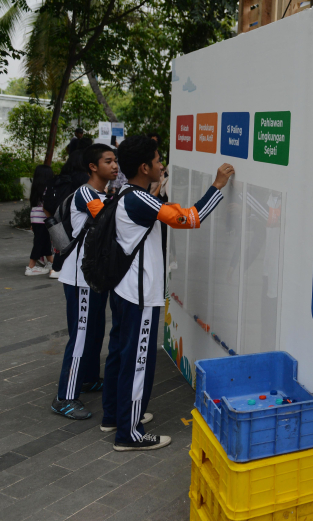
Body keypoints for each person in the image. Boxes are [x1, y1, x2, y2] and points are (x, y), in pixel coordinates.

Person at [103, 135, 233, 450]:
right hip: (140, 296)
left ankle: (114, 417)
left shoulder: (126, 193)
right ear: (144, 167)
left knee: (121, 356)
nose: (163, 165)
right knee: (137, 363)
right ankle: (128, 434)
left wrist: (157, 192)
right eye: (159, 160)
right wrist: (217, 185)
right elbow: (189, 218)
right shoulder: (140, 198)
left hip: (123, 290)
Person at [51, 144, 120, 420]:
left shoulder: (102, 193)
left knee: (93, 332)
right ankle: (64, 397)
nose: (114, 166)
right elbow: (109, 219)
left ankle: (89, 378)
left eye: (115, 161)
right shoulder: (86, 194)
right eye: (108, 161)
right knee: (80, 336)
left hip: (94, 277)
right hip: (80, 279)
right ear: (93, 167)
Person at [46, 142, 94, 278]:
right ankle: (63, 269)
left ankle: (56, 268)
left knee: (62, 242)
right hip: (74, 214)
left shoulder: (61, 176)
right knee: (74, 242)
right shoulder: (84, 179)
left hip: (59, 214)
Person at [25, 165, 54, 276]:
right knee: (39, 243)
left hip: (35, 219)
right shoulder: (47, 188)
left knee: (45, 242)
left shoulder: (36, 189)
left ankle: (52, 264)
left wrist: (32, 222)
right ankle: (30, 267)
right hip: (43, 219)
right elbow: (46, 206)